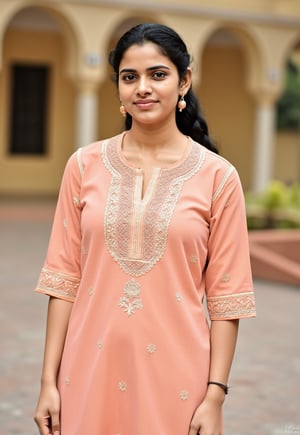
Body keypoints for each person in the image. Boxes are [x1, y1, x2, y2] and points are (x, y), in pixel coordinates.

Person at [34, 23, 256, 435]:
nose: (142, 88)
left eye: (158, 74)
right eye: (129, 77)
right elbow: (63, 281)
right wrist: (48, 381)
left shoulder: (218, 178)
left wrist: (214, 395)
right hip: (85, 372)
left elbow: (228, 300)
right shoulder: (83, 166)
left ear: (184, 80)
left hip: (179, 383)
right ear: (117, 87)